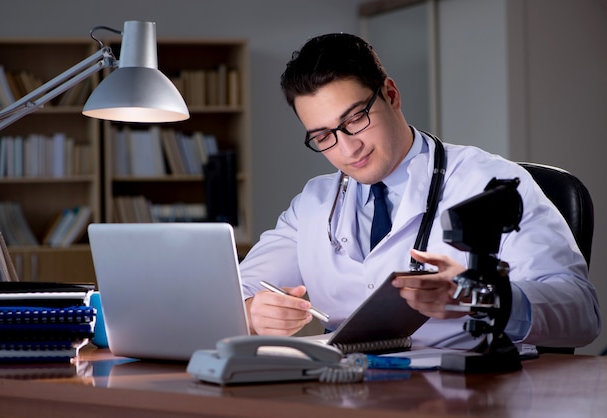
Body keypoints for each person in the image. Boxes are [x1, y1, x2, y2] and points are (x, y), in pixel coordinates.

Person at [239, 33, 600, 350]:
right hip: (348, 391)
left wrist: (478, 295)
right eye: (323, 136)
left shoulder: (490, 182)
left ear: (391, 95)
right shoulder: (314, 204)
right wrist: (252, 313)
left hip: (469, 391)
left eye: (354, 120)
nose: (347, 149)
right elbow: (233, 291)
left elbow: (582, 312)